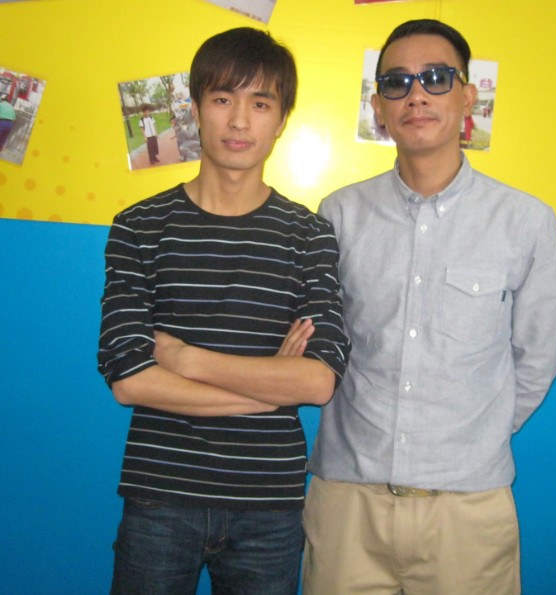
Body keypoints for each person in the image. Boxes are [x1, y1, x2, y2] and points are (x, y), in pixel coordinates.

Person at [303, 18, 556, 595]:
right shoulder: (338, 214)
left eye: (436, 78)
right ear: (378, 106)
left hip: (468, 513)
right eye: (397, 82)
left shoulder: (525, 221)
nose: (416, 95)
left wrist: (471, 439)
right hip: (348, 505)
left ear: (468, 97)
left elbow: (538, 360)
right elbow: (321, 347)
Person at [98, 27, 349, 595]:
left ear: (280, 120)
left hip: (269, 507)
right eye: (221, 99)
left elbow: (316, 381)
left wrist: (186, 359)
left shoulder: (309, 235)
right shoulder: (139, 227)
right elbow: (130, 380)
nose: (239, 121)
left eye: (260, 103)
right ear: (194, 110)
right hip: (160, 498)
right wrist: (267, 390)